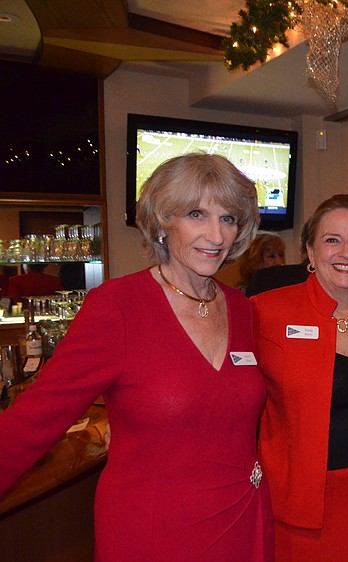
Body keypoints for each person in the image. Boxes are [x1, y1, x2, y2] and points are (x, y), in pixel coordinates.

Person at [0, 153, 273, 561]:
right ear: (163, 222)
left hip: (242, 519)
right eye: (197, 214)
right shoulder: (117, 306)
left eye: (229, 218)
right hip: (153, 530)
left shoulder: (242, 308)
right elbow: (33, 420)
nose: (217, 235)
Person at [252, 194, 348, 562]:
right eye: (332, 240)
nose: (346, 252)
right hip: (297, 505)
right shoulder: (265, 313)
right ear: (309, 249)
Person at [245, 223, 310, 297]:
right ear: (254, 260)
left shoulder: (290, 286)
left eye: (281, 255)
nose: (279, 261)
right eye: (271, 256)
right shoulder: (243, 294)